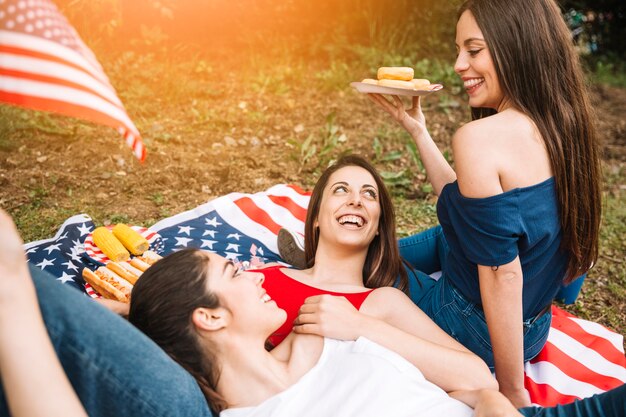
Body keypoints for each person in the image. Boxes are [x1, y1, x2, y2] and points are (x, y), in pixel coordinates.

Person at [1, 211, 624, 417]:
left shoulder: (327, 328)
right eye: (236, 273)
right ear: (211, 318)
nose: (256, 273)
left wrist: (364, 326)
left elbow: (479, 385)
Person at [365, 0, 602, 408]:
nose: (459, 64)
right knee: (453, 229)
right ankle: (364, 250)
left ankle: (341, 257)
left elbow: (502, 275)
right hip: (534, 326)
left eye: (473, 50)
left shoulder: (481, 138)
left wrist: (512, 390)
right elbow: (466, 204)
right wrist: (418, 131)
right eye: (459, 50)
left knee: (366, 266)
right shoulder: (566, 122)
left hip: (472, 326)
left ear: (517, 45)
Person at [258, 154, 495, 393]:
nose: (356, 200)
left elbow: (480, 378)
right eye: (341, 190)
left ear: (378, 229)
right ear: (316, 216)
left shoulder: (383, 303)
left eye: (369, 194)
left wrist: (360, 327)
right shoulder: (265, 277)